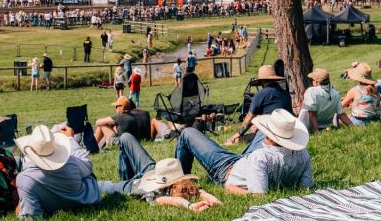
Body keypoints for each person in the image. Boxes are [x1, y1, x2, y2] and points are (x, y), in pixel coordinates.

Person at [175, 109, 312, 195]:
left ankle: (177, 180)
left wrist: (232, 188)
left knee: (188, 133)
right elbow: (306, 187)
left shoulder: (260, 157)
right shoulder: (303, 154)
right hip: (248, 163)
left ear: (269, 136)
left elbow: (258, 196)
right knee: (257, 134)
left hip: (227, 169)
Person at [98, 135, 222, 212]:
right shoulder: (181, 184)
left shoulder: (155, 194)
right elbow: (198, 191)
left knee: (101, 186)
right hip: (153, 171)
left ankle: (125, 177)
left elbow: (171, 201)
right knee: (125, 137)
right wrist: (209, 197)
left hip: (134, 185)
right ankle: (125, 171)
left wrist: (190, 206)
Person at [15, 124, 101, 219]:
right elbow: (88, 165)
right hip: (85, 202)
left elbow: (31, 216)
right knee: (85, 173)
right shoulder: (70, 162)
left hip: (49, 208)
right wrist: (71, 139)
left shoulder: (24, 180)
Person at [225, 65, 293, 151]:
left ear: (262, 81)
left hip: (271, 133)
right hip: (288, 132)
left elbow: (249, 118)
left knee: (242, 140)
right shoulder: (286, 94)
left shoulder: (261, 94)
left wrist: (238, 134)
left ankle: (233, 142)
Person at [298, 68, 348, 133]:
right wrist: (353, 127)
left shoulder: (311, 91)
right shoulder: (335, 93)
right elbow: (341, 114)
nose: (312, 82)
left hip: (307, 128)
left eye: (312, 80)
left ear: (316, 82)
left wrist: (316, 133)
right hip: (325, 127)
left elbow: (312, 114)